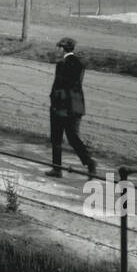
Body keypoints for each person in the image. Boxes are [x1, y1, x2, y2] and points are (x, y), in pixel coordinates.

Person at [49, 36, 96, 177]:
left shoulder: (63, 64)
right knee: (73, 138)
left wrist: (54, 102)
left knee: (56, 138)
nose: (57, 50)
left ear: (63, 48)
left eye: (58, 47)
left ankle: (57, 168)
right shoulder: (79, 62)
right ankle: (89, 162)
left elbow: (59, 86)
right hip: (75, 106)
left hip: (62, 107)